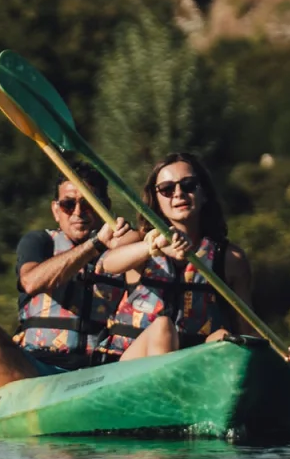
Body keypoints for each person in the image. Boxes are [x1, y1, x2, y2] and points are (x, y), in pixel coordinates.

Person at [0, 166, 137, 388]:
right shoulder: (39, 242)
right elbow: (31, 282)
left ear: (106, 206)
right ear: (56, 210)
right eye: (68, 204)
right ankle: (26, 404)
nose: (78, 212)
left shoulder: (126, 249)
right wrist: (95, 245)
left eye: (88, 203)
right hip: (36, 367)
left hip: (99, 371)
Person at [95, 153, 258, 361]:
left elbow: (248, 329)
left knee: (223, 338)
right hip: (129, 364)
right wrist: (154, 246)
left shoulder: (230, 258)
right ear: (156, 199)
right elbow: (108, 263)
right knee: (162, 327)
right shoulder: (138, 240)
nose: (178, 194)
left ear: (204, 193)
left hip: (191, 365)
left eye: (188, 185)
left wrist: (282, 357)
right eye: (167, 189)